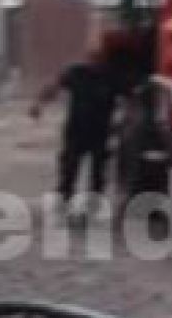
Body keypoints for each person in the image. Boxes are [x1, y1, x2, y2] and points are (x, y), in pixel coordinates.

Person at [31, 42, 126, 214]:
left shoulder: (112, 76)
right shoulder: (76, 72)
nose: (95, 62)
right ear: (88, 59)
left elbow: (126, 100)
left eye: (99, 59)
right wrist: (38, 104)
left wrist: (123, 121)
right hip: (77, 129)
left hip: (100, 131)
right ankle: (65, 199)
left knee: (98, 170)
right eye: (92, 58)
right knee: (69, 166)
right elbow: (54, 87)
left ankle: (94, 204)